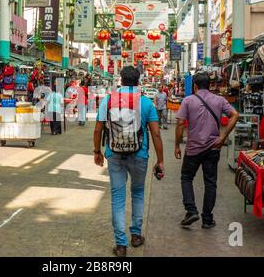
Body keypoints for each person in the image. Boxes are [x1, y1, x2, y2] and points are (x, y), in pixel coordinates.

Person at [93, 66, 164, 257]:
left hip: (114, 154)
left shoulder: (108, 100)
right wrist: (161, 160)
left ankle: (121, 245)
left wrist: (97, 152)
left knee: (118, 197)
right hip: (139, 155)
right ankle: (136, 235)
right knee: (138, 193)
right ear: (138, 81)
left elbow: (98, 129)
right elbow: (156, 133)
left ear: (121, 81)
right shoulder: (145, 102)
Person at [175, 71, 239, 229]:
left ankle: (191, 211)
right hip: (213, 148)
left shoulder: (188, 100)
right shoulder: (219, 100)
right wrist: (223, 137)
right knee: (210, 183)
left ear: (195, 86)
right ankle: (207, 219)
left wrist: (177, 145)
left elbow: (180, 124)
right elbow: (235, 115)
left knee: (186, 178)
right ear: (210, 85)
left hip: (193, 149)